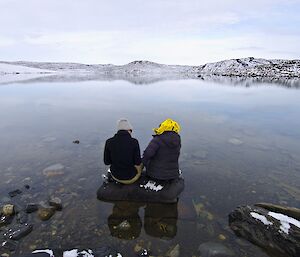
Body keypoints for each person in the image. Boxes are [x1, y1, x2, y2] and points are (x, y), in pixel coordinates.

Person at [104, 118, 142, 184]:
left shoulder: (109, 141)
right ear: (128, 130)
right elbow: (137, 162)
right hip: (131, 177)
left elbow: (106, 162)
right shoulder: (134, 142)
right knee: (142, 164)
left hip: (115, 176)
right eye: (131, 130)